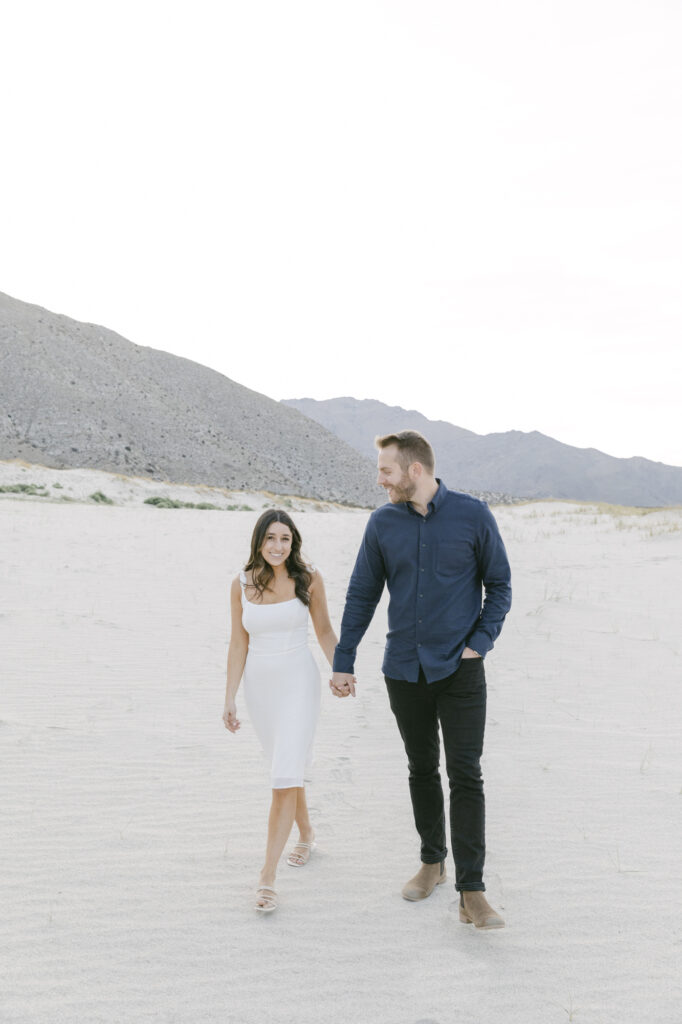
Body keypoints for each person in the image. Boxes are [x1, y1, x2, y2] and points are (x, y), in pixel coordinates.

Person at [330, 430, 511, 929]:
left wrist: (480, 643)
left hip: (461, 670)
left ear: (414, 470)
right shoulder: (382, 523)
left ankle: (471, 891)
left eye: (386, 471)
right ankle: (432, 861)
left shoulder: (473, 516)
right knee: (421, 768)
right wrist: (344, 659)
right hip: (404, 670)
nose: (381, 480)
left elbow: (499, 585)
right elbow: (362, 594)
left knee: (466, 774)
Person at [223, 509, 341, 913]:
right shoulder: (240, 584)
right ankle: (306, 832)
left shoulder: (308, 579)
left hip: (298, 683)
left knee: (281, 779)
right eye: (270, 538)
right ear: (258, 540)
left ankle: (266, 877)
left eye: (285, 539)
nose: (277, 546)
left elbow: (324, 630)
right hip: (261, 688)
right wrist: (229, 697)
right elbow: (238, 644)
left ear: (294, 543)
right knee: (284, 770)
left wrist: (340, 670)